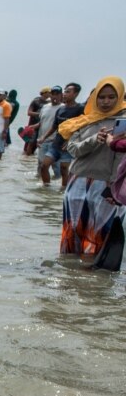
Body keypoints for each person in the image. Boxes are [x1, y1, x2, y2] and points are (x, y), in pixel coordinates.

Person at [59, 76, 126, 259]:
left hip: (108, 185)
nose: (106, 101)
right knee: (73, 232)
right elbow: (74, 149)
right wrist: (94, 139)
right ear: (94, 97)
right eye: (101, 97)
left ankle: (93, 279)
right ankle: (70, 275)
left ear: (120, 97)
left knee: (101, 234)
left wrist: (116, 188)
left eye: (111, 97)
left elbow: (122, 158)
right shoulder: (85, 121)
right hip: (78, 182)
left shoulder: (124, 122)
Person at [39, 83, 84, 187]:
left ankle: (63, 190)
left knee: (64, 169)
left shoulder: (80, 109)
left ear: (76, 94)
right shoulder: (61, 109)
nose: (65, 94)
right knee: (44, 166)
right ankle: (46, 189)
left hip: (68, 146)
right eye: (65, 91)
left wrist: (71, 141)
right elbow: (55, 126)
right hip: (56, 144)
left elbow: (83, 127)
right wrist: (43, 137)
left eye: (68, 92)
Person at [35, 86, 62, 181]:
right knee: (41, 165)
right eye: (52, 94)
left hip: (56, 142)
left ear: (61, 95)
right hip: (43, 140)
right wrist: (34, 128)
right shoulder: (44, 107)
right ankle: (42, 187)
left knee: (57, 167)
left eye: (57, 94)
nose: (54, 96)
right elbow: (42, 122)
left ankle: (58, 189)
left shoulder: (63, 108)